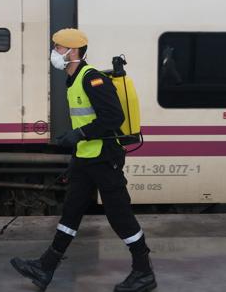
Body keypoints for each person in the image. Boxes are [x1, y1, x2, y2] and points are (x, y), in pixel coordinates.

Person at [10, 28, 157, 292]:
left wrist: (80, 134)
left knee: (119, 215)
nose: (54, 52)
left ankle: (144, 271)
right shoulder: (73, 79)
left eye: (58, 47)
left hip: (104, 158)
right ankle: (45, 267)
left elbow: (114, 118)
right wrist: (77, 151)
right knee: (71, 210)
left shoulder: (92, 79)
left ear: (72, 51)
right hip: (86, 158)